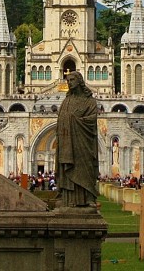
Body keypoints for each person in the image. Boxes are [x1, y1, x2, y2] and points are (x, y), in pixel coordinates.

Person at [55, 71, 99, 208]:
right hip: (68, 143)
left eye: (72, 80)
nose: (69, 83)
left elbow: (92, 119)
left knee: (86, 169)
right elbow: (60, 121)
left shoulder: (90, 102)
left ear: (79, 81)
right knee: (69, 170)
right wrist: (67, 122)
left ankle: (88, 197)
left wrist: (75, 120)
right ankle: (69, 199)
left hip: (84, 142)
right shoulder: (66, 102)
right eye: (68, 80)